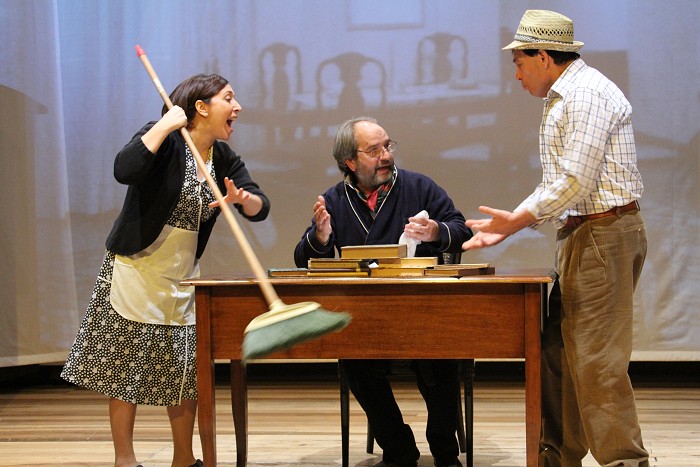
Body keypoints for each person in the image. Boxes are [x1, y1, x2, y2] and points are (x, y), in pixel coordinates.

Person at [462, 10, 648, 467]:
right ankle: (558, 456)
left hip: (603, 233)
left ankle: (625, 461)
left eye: (519, 62)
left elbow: (575, 182)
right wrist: (513, 220)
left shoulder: (586, 96)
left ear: (543, 56)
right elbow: (556, 183)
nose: (516, 74)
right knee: (558, 353)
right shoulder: (565, 95)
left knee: (597, 361)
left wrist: (516, 222)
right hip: (583, 232)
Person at [61, 74, 270, 467]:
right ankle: (125, 459)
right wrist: (162, 126)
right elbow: (124, 169)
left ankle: (183, 459)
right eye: (228, 98)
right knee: (124, 367)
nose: (237, 107)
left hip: (183, 275)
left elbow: (260, 206)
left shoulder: (223, 157)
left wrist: (243, 199)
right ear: (201, 107)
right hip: (136, 267)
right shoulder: (167, 139)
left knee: (184, 372)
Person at [294, 117, 472, 467]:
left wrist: (436, 231)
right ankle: (399, 447)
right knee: (353, 360)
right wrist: (321, 237)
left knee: (441, 353)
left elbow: (461, 230)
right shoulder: (335, 200)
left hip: (422, 309)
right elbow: (303, 259)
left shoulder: (419, 187)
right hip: (367, 316)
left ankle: (443, 446)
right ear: (350, 161)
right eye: (374, 150)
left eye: (388, 146)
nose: (386, 155)